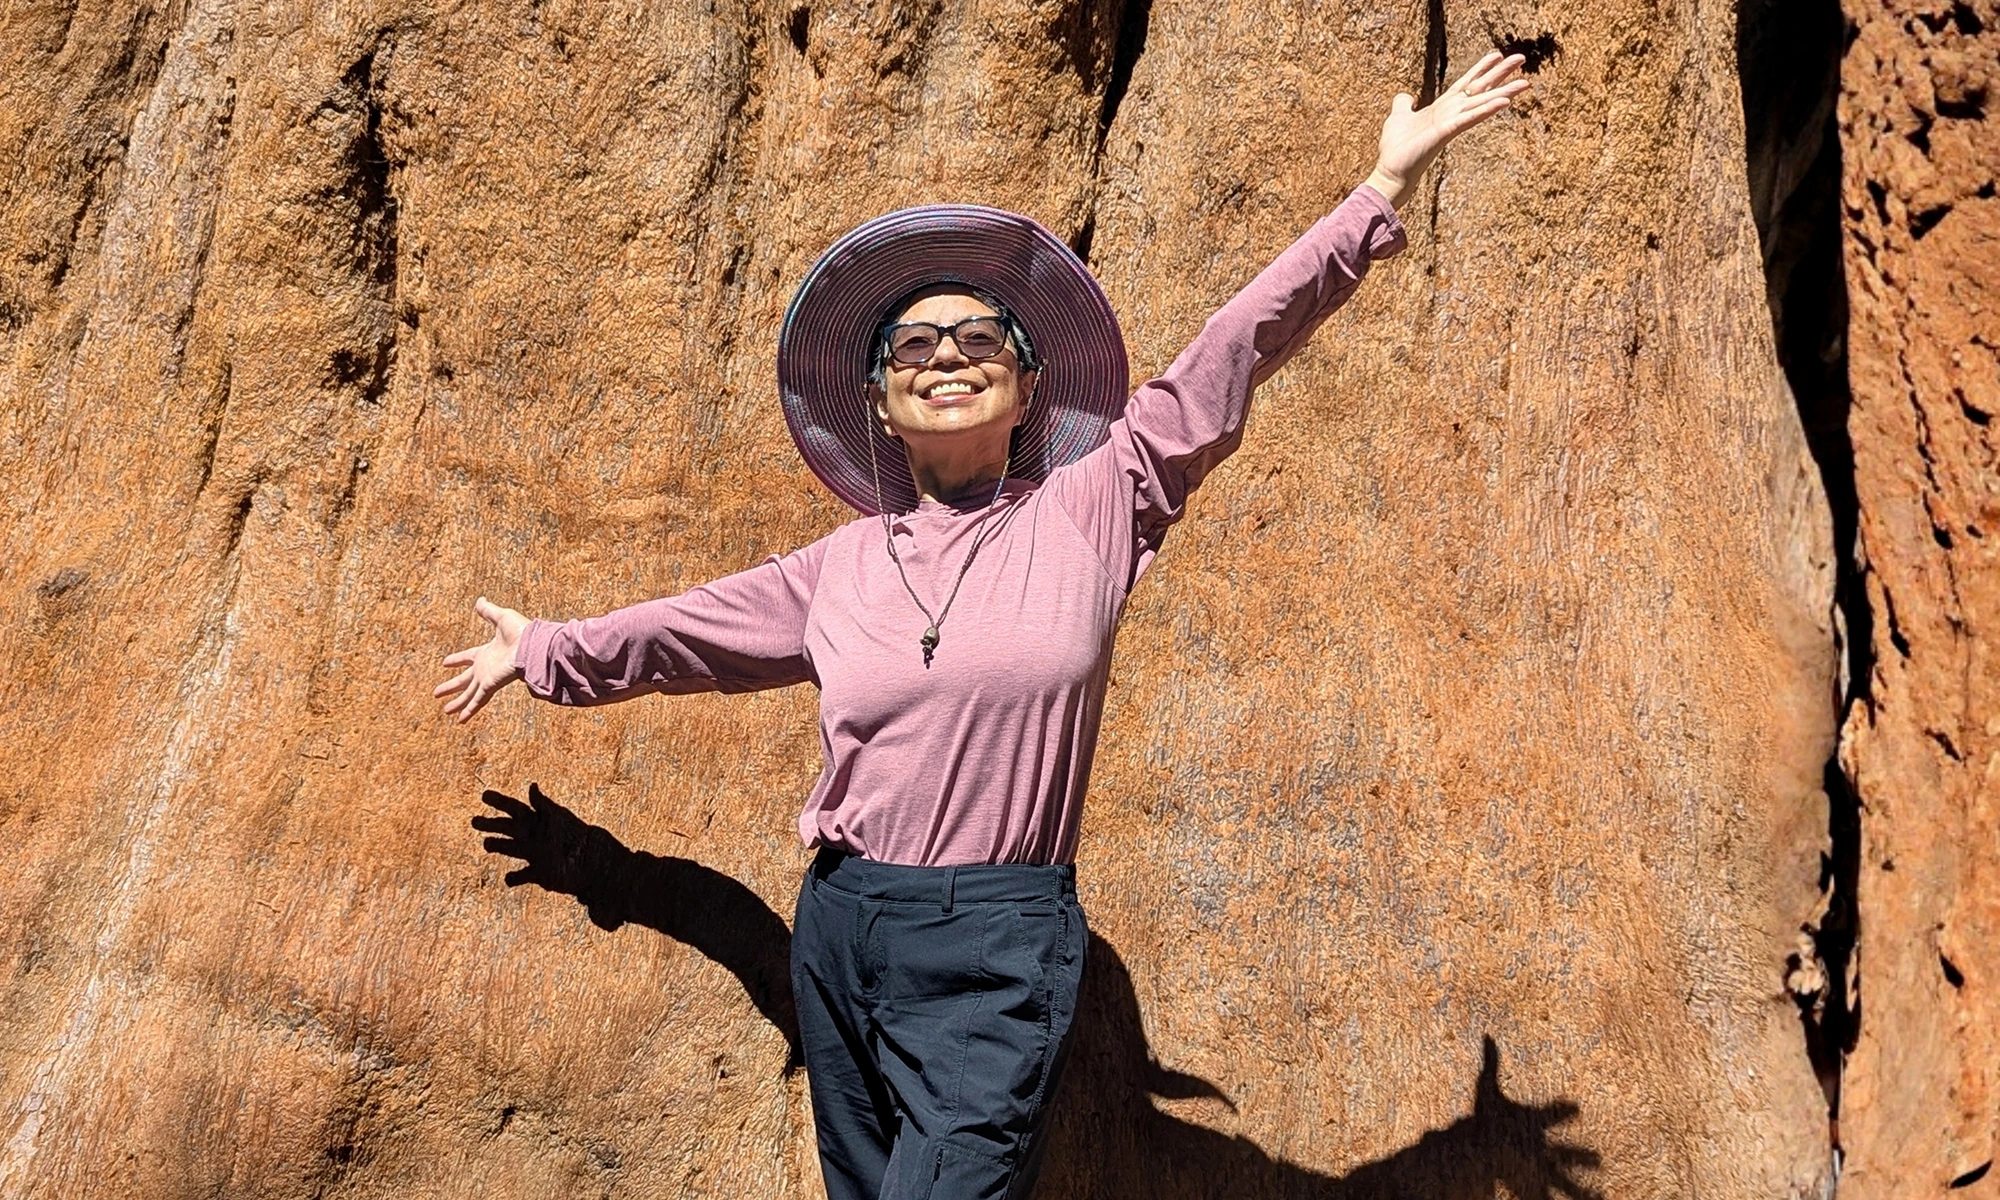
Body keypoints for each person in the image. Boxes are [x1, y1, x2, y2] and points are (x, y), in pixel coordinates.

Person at [435, 52, 1528, 1200]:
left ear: (1027, 380)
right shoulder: (838, 567)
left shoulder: (1098, 503)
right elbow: (682, 636)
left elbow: (1230, 350)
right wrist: (541, 652)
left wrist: (1378, 190)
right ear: (877, 400)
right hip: (843, 922)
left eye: (976, 340)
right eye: (910, 346)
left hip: (997, 944)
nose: (944, 357)